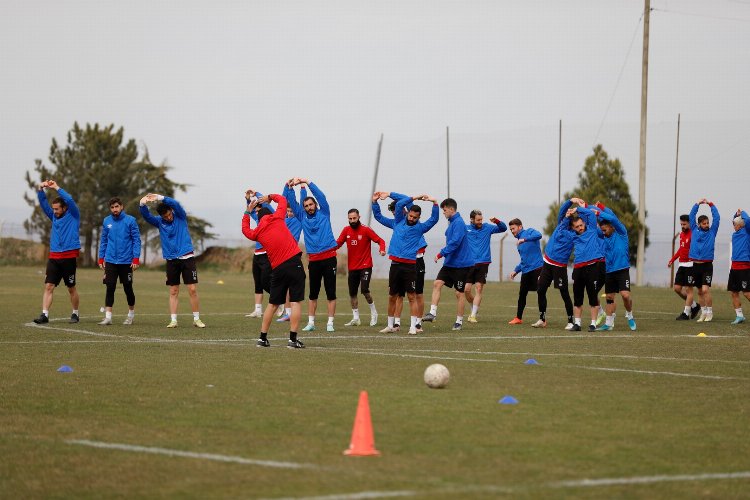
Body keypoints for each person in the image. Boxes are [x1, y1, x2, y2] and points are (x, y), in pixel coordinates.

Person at [242, 191, 307, 348]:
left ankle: (262, 338)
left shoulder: (257, 232)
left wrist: (246, 211)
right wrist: (269, 197)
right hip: (293, 262)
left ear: (258, 218)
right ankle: (292, 340)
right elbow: (282, 200)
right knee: (296, 301)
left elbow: (246, 230)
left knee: (273, 304)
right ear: (269, 213)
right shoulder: (278, 217)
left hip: (277, 268)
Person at [372, 192, 439, 334]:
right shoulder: (397, 221)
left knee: (412, 296)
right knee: (392, 296)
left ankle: (413, 327)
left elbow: (434, 219)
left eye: (415, 217)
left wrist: (434, 203)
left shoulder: (420, 228)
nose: (412, 219)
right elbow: (397, 205)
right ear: (407, 213)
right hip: (395, 264)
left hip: (410, 265)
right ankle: (391, 326)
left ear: (418, 218)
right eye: (410, 216)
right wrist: (375, 202)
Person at [139, 193, 205, 328]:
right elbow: (147, 216)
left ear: (171, 211)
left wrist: (160, 197)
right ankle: (173, 320)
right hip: (171, 260)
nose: (168, 217)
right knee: (173, 290)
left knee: (192, 289)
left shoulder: (180, 216)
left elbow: (176, 204)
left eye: (169, 214)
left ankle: (196, 319)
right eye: (165, 216)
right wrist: (142, 204)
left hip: (187, 257)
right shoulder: (159, 222)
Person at [286, 177, 338, 332]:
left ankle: (330, 323)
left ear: (315, 204)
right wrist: (290, 188)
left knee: (330, 292)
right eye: (306, 205)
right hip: (314, 260)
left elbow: (322, 196)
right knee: (312, 293)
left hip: (329, 258)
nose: (309, 207)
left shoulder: (325, 213)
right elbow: (292, 202)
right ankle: (311, 323)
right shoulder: (301, 217)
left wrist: (307, 183)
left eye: (311, 204)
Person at [32, 180, 81, 324]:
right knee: (49, 286)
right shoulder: (54, 216)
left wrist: (56, 188)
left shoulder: (74, 215)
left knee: (71, 288)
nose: (54, 211)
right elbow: (44, 205)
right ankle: (44, 315)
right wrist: (40, 190)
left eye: (57, 209)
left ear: (65, 208)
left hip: (69, 257)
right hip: (54, 257)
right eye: (53, 209)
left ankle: (75, 314)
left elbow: (70, 199)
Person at [422, 198, 474, 331]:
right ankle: (432, 313)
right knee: (437, 283)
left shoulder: (459, 223)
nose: (444, 213)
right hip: (450, 263)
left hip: (462, 264)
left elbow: (455, 243)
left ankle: (459, 321)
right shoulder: (452, 222)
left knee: (459, 293)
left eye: (444, 210)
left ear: (451, 209)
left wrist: (441, 253)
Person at [336, 208, 386, 327]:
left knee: (364, 289)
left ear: (359, 217)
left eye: (354, 218)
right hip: (352, 267)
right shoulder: (346, 230)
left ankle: (374, 313)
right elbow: (337, 243)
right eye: (350, 219)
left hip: (365, 266)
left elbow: (380, 240)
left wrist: (382, 249)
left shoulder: (366, 230)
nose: (352, 220)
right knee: (352, 293)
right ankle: (356, 318)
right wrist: (327, 249)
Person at [97, 197, 141, 325]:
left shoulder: (130, 221)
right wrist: (101, 258)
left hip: (126, 261)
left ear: (121, 206)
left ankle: (131, 315)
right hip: (110, 260)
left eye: (117, 206)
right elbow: (104, 240)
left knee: (128, 288)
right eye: (112, 207)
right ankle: (108, 317)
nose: (115, 209)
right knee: (110, 287)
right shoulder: (106, 221)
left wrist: (136, 258)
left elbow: (136, 241)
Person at [534, 199, 576, 329]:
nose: (564, 216)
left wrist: (579, 209)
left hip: (559, 266)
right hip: (547, 262)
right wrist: (571, 201)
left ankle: (570, 321)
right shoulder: (561, 223)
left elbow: (583, 223)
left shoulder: (574, 234)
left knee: (564, 293)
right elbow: (562, 210)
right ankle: (542, 319)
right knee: (540, 290)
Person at [566, 200, 606, 332]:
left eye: (581, 225)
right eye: (577, 227)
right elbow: (561, 225)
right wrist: (568, 215)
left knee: (593, 297)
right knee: (577, 299)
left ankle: (593, 324)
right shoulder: (572, 235)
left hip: (592, 267)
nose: (580, 228)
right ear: (573, 228)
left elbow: (589, 213)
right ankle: (577, 324)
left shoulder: (592, 229)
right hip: (578, 269)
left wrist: (578, 209)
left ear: (584, 223)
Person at [596, 206, 636, 331]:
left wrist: (600, 210)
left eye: (605, 230)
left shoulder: (621, 232)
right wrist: (587, 209)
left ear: (612, 227)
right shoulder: (603, 236)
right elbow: (593, 224)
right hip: (609, 271)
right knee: (609, 297)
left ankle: (629, 315)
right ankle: (608, 324)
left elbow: (612, 217)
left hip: (622, 269)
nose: (603, 232)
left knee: (625, 295)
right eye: (602, 230)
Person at [464, 210, 507, 323]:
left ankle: (473, 315)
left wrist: (496, 221)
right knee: (466, 290)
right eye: (478, 220)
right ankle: (474, 307)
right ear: (472, 220)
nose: (480, 222)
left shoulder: (487, 227)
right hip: (469, 264)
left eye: (481, 219)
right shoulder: (466, 229)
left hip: (483, 263)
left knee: (478, 289)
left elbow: (503, 228)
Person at [689, 198, 720, 322]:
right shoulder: (694, 230)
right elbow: (691, 215)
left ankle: (710, 313)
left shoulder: (712, 231)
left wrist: (711, 204)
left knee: (706, 289)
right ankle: (703, 313)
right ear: (699, 224)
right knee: (700, 292)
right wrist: (697, 204)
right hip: (695, 265)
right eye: (704, 223)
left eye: (707, 223)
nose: (707, 225)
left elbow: (717, 218)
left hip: (707, 265)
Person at [508, 219, 543, 325]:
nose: (512, 231)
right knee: (522, 294)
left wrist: (525, 239)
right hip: (526, 271)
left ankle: (543, 319)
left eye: (513, 228)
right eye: (511, 230)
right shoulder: (518, 242)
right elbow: (524, 259)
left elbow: (539, 235)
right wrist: (516, 270)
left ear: (520, 226)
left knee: (541, 293)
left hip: (537, 268)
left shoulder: (530, 232)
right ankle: (518, 318)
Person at [667, 214, 702, 320]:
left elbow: (698, 249)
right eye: (681, 224)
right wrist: (672, 259)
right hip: (682, 265)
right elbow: (681, 250)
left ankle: (686, 313)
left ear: (690, 223)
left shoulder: (693, 235)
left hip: (691, 265)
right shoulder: (682, 234)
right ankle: (695, 306)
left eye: (684, 224)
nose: (682, 226)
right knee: (677, 288)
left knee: (689, 290)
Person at [245, 192, 274, 319]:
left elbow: (266, 203)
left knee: (265, 281)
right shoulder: (258, 218)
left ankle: (279, 300)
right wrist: (248, 200)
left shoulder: (271, 218)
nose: (256, 213)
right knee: (258, 282)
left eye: (258, 210)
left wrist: (257, 193)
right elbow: (250, 211)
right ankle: (257, 310)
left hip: (267, 254)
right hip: (257, 254)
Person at [728, 209, 750, 324]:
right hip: (734, 267)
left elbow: (748, 220)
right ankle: (739, 315)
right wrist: (736, 215)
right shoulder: (734, 234)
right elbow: (736, 219)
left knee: (747, 293)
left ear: (741, 225)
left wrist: (743, 212)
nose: (734, 226)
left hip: (744, 267)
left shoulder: (747, 232)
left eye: (735, 224)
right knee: (734, 292)